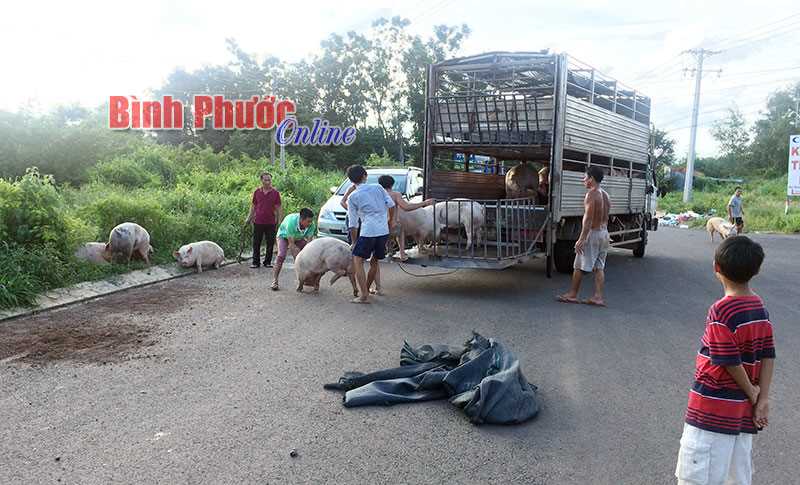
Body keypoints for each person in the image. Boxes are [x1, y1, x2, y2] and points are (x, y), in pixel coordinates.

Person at [675, 236, 774, 485]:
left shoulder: (721, 311)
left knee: (698, 478)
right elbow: (767, 354)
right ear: (757, 271)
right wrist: (763, 398)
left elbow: (727, 360)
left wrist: (753, 393)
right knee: (736, 477)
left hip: (711, 415)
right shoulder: (759, 307)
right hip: (740, 417)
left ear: (716, 268)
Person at [557, 166, 610, 306]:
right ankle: (598, 297)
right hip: (604, 233)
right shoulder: (605, 194)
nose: (583, 180)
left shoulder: (592, 194)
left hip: (593, 234)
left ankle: (573, 294)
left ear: (591, 179)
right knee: (599, 267)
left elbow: (588, 220)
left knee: (578, 265)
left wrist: (581, 239)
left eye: (585, 177)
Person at [346, 165, 395, 304]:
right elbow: (391, 205)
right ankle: (366, 290)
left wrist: (354, 242)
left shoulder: (353, 196)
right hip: (383, 231)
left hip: (368, 231)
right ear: (365, 176)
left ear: (351, 180)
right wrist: (390, 221)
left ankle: (363, 296)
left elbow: (353, 224)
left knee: (357, 260)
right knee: (375, 261)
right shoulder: (378, 188)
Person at [377, 174, 434, 263]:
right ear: (392, 184)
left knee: (387, 236)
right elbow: (406, 207)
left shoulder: (377, 195)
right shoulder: (395, 194)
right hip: (393, 225)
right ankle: (402, 254)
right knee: (400, 231)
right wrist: (424, 203)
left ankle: (389, 251)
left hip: (380, 225)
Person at [270, 208, 316, 291]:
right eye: (308, 221)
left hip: (299, 238)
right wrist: (298, 259)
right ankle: (275, 280)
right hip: (283, 236)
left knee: (307, 257)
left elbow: (309, 244)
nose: (310, 223)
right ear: (301, 219)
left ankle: (306, 280)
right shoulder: (291, 222)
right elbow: (291, 245)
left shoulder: (312, 225)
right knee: (281, 255)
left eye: (311, 221)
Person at [246, 172, 282, 268]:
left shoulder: (275, 193)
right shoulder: (257, 192)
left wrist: (279, 221)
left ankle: (267, 262)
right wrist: (248, 218)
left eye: (269, 180)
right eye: (265, 180)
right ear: (261, 180)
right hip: (258, 221)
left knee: (270, 243)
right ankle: (255, 262)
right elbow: (253, 206)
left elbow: (278, 208)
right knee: (256, 242)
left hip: (271, 222)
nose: (267, 182)